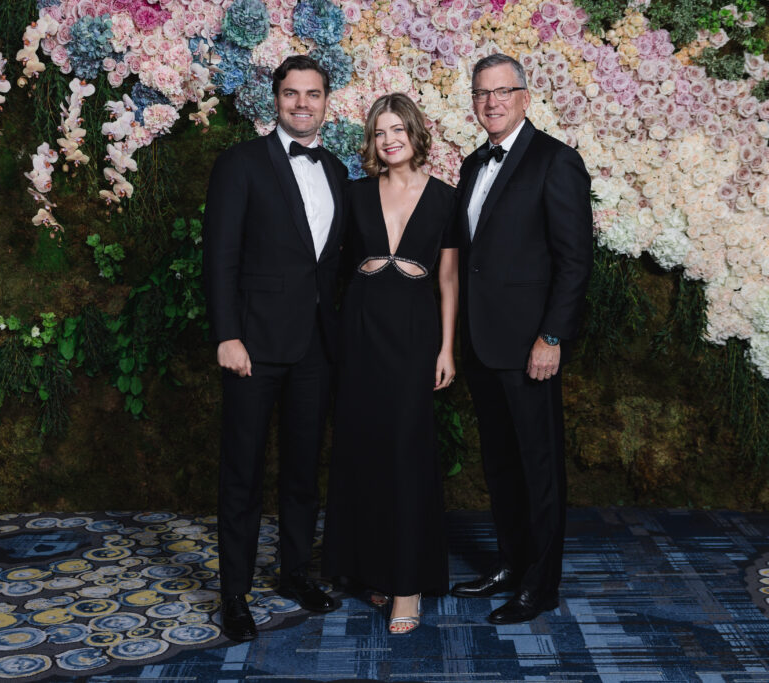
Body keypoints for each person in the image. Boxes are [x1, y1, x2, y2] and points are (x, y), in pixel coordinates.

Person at [202, 55, 348, 642]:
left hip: (316, 345)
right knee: (242, 472)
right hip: (253, 344)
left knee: (303, 470)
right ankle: (234, 594)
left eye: (313, 94)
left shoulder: (336, 169)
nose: (302, 104)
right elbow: (219, 257)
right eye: (292, 94)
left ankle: (294, 574)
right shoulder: (240, 163)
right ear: (276, 99)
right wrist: (227, 335)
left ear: (327, 101)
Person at [450, 54, 593, 624]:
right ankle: (510, 565)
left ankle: (540, 585)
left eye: (502, 91)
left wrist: (551, 336)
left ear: (525, 97)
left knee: (539, 469)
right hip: (482, 343)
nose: (492, 102)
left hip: (531, 345)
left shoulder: (556, 160)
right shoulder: (470, 165)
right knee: (501, 465)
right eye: (482, 93)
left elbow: (575, 260)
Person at [323, 93, 458, 634]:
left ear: (415, 133)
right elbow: (330, 266)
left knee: (406, 452)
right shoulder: (355, 193)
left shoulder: (446, 198)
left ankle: (407, 584)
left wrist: (446, 348)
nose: (388, 140)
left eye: (397, 129)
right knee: (364, 448)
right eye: (380, 132)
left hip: (414, 334)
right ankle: (373, 567)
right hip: (360, 330)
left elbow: (448, 280)